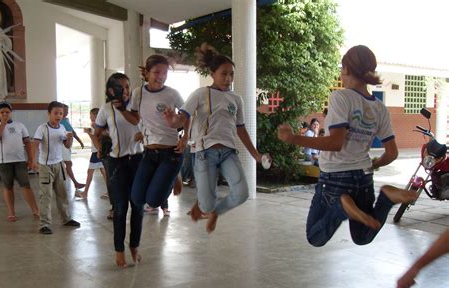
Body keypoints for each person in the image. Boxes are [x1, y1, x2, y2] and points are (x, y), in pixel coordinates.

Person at [278, 45, 417, 247]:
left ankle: (342, 208)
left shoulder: (341, 97)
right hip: (363, 176)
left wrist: (293, 139)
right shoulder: (379, 107)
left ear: (346, 69)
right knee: (362, 237)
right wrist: (374, 165)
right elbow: (392, 152)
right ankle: (386, 199)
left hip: (336, 177)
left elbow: (335, 143)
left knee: (315, 236)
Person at [165, 43, 269, 233]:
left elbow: (241, 129)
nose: (228, 78)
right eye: (224, 73)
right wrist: (174, 121)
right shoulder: (200, 94)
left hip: (228, 153)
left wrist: (256, 155)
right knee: (206, 204)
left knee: (242, 194)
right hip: (204, 153)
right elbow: (183, 117)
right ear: (212, 74)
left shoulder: (236, 99)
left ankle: (215, 213)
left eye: (231, 74)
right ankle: (205, 207)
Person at [130, 54, 188, 220]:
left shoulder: (172, 94)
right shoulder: (138, 93)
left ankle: (173, 175)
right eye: (157, 72)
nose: (161, 76)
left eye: (164, 73)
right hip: (149, 152)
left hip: (171, 152)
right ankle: (173, 176)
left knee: (154, 201)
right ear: (147, 72)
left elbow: (187, 116)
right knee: (137, 198)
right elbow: (135, 116)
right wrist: (141, 130)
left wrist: (184, 136)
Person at [94, 73, 143, 268]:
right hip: (116, 163)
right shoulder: (105, 110)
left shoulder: (137, 108)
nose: (125, 91)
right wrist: (99, 147)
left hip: (138, 160)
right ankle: (119, 250)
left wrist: (143, 134)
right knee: (120, 209)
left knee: (138, 207)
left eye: (127, 86)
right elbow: (96, 133)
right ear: (111, 90)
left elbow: (147, 127)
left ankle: (134, 246)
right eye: (120, 87)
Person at [32, 101, 81, 234]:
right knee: (46, 196)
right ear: (49, 114)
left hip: (59, 165)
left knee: (62, 193)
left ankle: (66, 219)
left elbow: (66, 146)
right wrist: (33, 161)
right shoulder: (42, 128)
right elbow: (35, 144)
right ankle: (44, 224)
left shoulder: (62, 128)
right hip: (45, 166)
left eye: (61, 113)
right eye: (55, 113)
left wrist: (69, 139)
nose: (58, 115)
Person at [0, 102, 39, 221]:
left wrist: (31, 160)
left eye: (7, 112)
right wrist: (3, 123)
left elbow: (27, 143)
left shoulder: (19, 125)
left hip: (20, 161)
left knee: (26, 185)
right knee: (8, 186)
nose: (5, 114)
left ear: (11, 113)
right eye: (2, 112)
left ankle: (35, 210)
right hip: (3, 162)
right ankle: (11, 212)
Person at [77, 108, 107, 199]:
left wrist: (88, 133)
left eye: (91, 115)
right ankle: (110, 191)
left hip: (97, 151)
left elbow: (96, 139)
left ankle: (85, 193)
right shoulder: (99, 125)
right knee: (103, 172)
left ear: (96, 116)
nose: (90, 117)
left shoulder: (96, 125)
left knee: (90, 172)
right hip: (99, 151)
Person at [60, 104, 85, 189]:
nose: (66, 113)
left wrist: (80, 141)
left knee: (66, 164)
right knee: (68, 163)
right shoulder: (59, 122)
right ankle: (75, 183)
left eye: (67, 111)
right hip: (63, 146)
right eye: (64, 111)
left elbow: (72, 132)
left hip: (68, 145)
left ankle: (71, 183)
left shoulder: (66, 120)